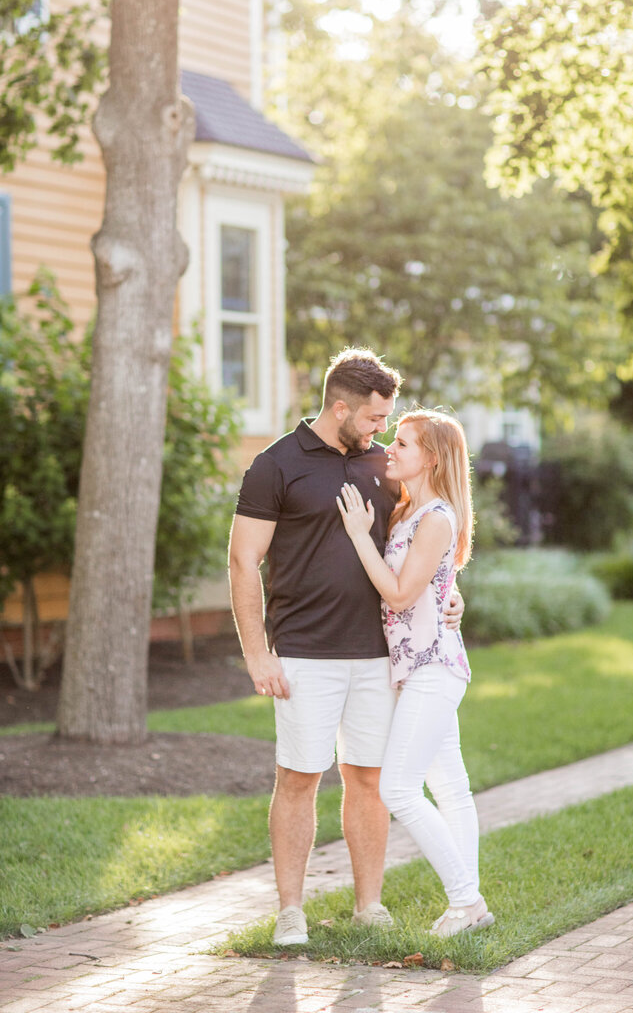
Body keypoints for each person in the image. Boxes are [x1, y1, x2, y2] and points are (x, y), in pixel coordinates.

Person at [228, 348, 463, 947]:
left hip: (381, 653)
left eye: (388, 420)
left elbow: (423, 540)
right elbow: (242, 560)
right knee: (299, 777)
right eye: (374, 418)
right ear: (340, 407)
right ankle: (290, 912)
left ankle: (369, 906)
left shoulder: (384, 467)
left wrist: (450, 597)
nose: (383, 431)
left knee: (368, 777)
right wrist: (258, 654)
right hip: (304, 651)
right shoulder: (275, 465)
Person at [336, 408, 494, 938]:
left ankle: (466, 902)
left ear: (429, 457)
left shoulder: (437, 518)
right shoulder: (407, 510)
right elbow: (435, 584)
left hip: (432, 666)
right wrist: (452, 595)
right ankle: (467, 904)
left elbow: (401, 593)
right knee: (450, 786)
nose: (389, 450)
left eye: (402, 444)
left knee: (399, 788)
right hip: (416, 665)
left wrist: (359, 534)